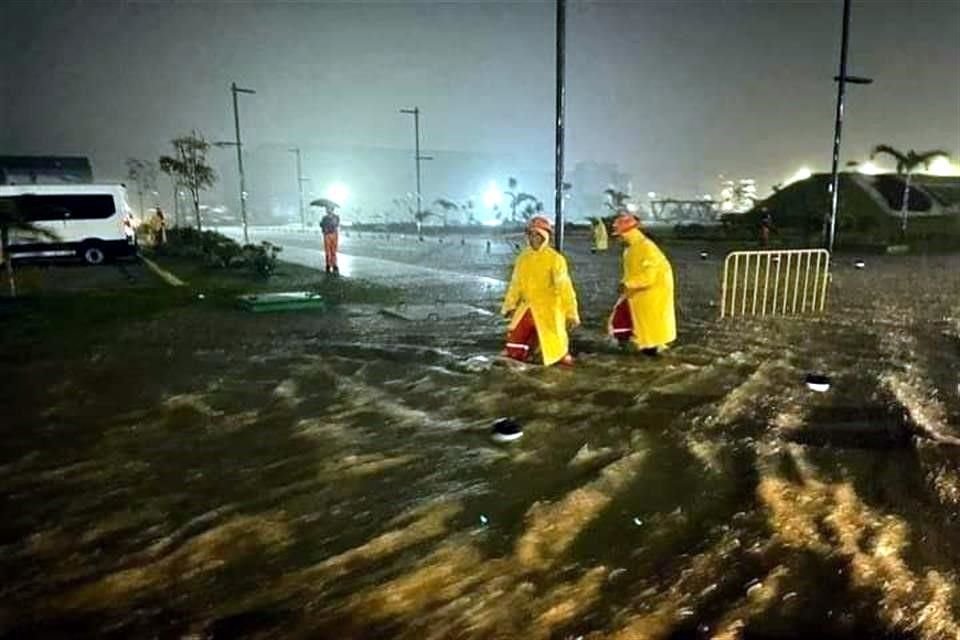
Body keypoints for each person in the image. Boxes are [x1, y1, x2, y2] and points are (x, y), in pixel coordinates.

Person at [501, 215, 580, 366]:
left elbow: (565, 288)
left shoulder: (556, 259)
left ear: (546, 237)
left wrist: (571, 313)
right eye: (531, 234)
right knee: (514, 348)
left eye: (538, 235)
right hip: (527, 309)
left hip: (549, 312)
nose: (534, 238)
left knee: (557, 353)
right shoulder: (523, 258)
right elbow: (515, 285)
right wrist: (509, 306)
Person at [608, 213, 676, 356]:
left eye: (618, 236)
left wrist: (627, 284)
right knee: (621, 323)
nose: (617, 239)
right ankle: (630, 350)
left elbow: (649, 276)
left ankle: (647, 355)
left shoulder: (646, 248)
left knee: (648, 335)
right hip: (636, 295)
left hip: (649, 297)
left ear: (627, 233)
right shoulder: (632, 249)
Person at [320, 205, 341, 274]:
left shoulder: (336, 217)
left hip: (334, 234)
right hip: (327, 235)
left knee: (333, 251)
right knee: (327, 251)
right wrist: (323, 226)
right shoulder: (324, 218)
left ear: (332, 209)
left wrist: (332, 223)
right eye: (326, 209)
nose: (327, 210)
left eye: (328, 209)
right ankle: (328, 265)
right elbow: (321, 225)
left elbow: (337, 224)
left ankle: (334, 264)